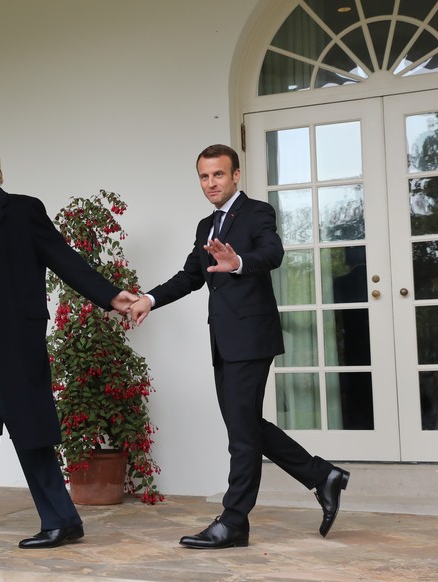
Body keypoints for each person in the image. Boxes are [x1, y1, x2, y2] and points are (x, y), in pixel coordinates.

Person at [130, 144, 349, 549]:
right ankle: (322, 476)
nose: (211, 183)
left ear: (236, 175)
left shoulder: (257, 212)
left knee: (242, 435)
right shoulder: (205, 226)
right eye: (204, 176)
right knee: (244, 425)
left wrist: (240, 263)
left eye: (218, 175)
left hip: (251, 337)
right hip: (224, 340)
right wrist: (149, 299)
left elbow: (273, 252)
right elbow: (190, 276)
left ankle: (233, 521)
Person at [0, 144, 138, 549]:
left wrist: (111, 296)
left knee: (26, 423)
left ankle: (62, 519)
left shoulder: (22, 211)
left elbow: (63, 258)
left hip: (4, 333)